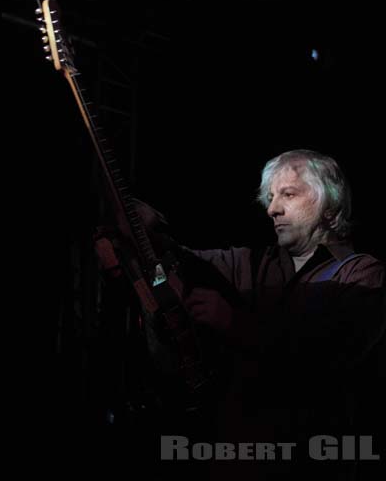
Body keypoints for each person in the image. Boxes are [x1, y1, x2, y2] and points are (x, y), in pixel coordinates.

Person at [96, 149, 386, 480]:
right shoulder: (255, 262)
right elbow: (183, 260)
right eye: (271, 197)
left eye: (288, 194)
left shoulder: (362, 274)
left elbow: (325, 354)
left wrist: (235, 324)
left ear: (329, 204)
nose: (273, 208)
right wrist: (143, 230)